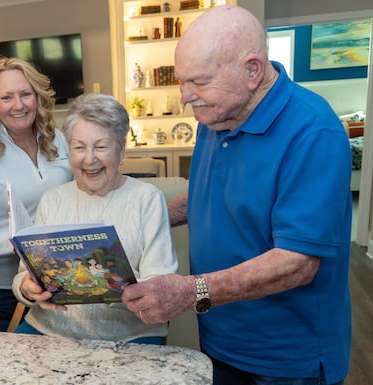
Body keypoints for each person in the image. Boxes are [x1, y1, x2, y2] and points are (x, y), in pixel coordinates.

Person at [122, 5, 352, 384]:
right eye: (182, 82)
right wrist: (131, 217)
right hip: (220, 340)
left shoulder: (313, 131)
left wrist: (191, 291)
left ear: (252, 70)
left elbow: (297, 261)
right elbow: (203, 200)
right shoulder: (216, 115)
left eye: (198, 82)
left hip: (288, 358)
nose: (185, 96)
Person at [12, 93, 179, 344]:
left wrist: (119, 288)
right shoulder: (52, 199)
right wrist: (27, 288)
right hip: (49, 330)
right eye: (79, 147)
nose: (89, 159)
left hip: (129, 336)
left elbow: (161, 282)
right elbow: (22, 277)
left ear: (121, 150)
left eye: (101, 147)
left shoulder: (147, 199)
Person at [0, 57, 73, 331]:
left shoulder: (57, 139)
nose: (18, 105)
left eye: (25, 94)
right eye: (7, 97)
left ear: (38, 97)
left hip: (54, 278)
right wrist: (15, 246)